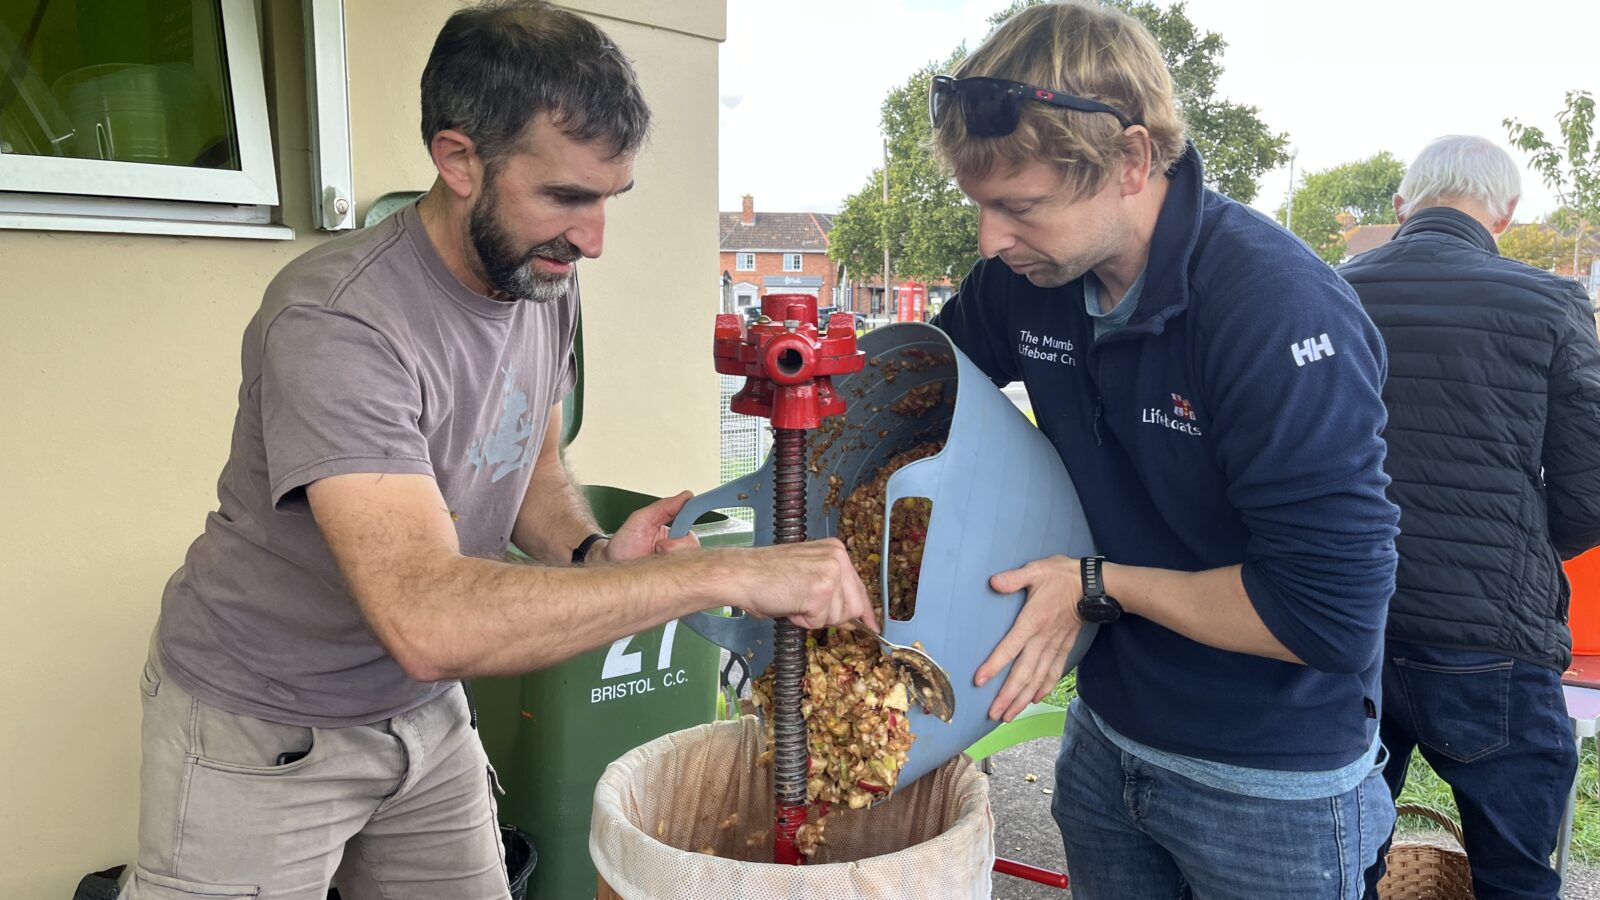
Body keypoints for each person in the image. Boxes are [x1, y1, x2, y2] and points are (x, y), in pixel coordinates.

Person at [126, 3, 874, 897]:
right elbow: (426, 619)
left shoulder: (540, 279)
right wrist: (719, 576)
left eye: (608, 199)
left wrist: (591, 552)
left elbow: (533, 461)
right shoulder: (338, 321)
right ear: (458, 160)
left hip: (423, 715)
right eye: (566, 196)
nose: (594, 239)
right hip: (265, 722)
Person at [926, 3, 1400, 896]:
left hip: (1272, 785)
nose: (990, 241)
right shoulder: (1022, 285)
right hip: (1108, 744)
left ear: (1132, 161)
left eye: (1019, 206)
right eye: (980, 206)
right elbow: (925, 404)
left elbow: (1328, 618)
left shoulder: (1276, 310)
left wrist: (1096, 585)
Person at [1338, 135, 1600, 900]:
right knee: (1515, 875)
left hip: (1353, 625)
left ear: (1401, 205)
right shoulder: (1552, 301)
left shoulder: (1332, 289)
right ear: (1508, 214)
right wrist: (1508, 551)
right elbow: (1589, 494)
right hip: (1493, 639)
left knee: (1346, 857)